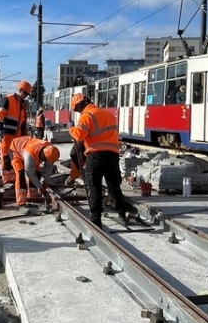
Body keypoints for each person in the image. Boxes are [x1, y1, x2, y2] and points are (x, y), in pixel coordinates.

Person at [68, 92, 129, 228]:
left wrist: (71, 128)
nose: (78, 112)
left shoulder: (86, 116)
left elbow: (79, 135)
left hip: (95, 154)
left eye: (77, 110)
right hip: (112, 154)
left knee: (94, 185)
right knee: (113, 185)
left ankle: (96, 219)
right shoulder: (107, 114)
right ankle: (122, 214)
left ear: (79, 106)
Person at [8, 135, 60, 209]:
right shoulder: (30, 155)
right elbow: (30, 174)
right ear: (43, 156)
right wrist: (41, 187)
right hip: (15, 150)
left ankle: (33, 197)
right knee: (20, 174)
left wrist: (45, 182)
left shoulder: (50, 151)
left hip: (28, 147)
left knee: (37, 173)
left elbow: (48, 167)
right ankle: (21, 202)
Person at [0, 80, 31, 183]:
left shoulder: (22, 105)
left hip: (18, 137)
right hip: (7, 134)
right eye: (25, 93)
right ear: (20, 90)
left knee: (16, 157)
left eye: (27, 94)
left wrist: (25, 137)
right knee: (6, 156)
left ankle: (15, 177)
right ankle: (7, 178)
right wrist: (0, 128)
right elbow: (0, 114)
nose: (25, 96)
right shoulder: (8, 99)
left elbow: (23, 122)